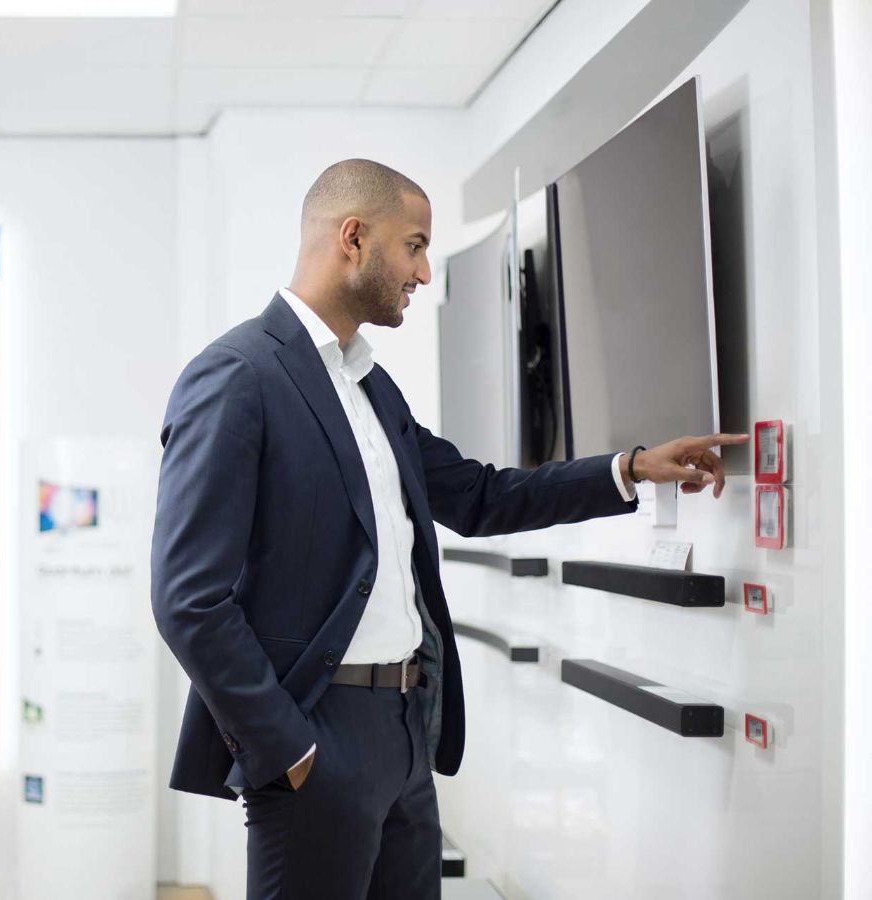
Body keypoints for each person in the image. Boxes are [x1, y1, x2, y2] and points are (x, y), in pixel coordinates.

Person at [150, 158, 747, 900]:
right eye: (416, 245)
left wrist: (628, 468)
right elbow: (188, 599)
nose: (425, 272)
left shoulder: (366, 383)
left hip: (405, 732)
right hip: (316, 734)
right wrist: (288, 745)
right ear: (354, 237)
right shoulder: (237, 376)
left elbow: (479, 496)